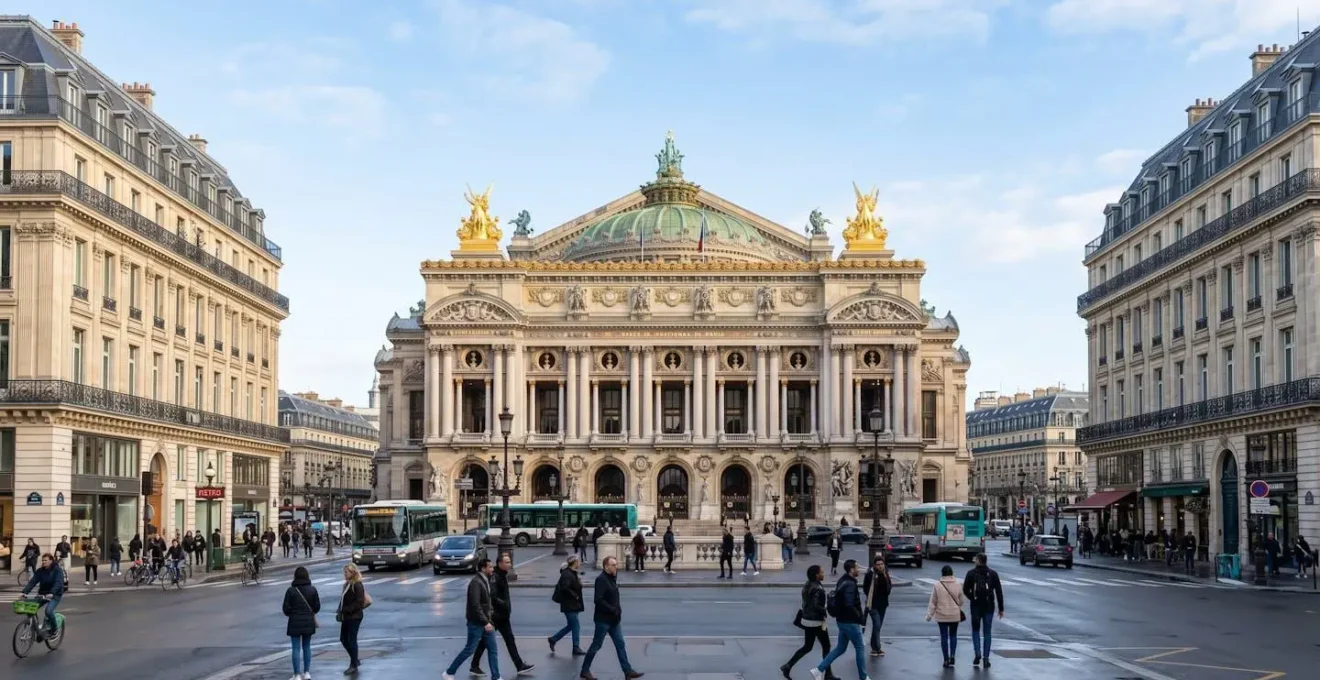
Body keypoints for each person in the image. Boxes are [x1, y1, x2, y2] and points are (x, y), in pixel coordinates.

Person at [579, 555, 643, 680]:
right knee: (596, 645)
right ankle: (584, 670)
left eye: (616, 564)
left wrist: (618, 609)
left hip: (614, 620)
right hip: (603, 620)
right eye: (613, 565)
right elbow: (598, 599)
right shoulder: (601, 579)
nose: (616, 567)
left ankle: (628, 671)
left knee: (620, 644)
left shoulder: (612, 577)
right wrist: (612, 609)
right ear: (606, 566)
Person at [472, 553, 535, 675]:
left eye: (509, 562)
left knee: (506, 640)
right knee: (488, 641)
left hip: (502, 615)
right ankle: (475, 665)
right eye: (507, 562)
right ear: (500, 564)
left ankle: (519, 665)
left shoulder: (501, 575)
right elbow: (493, 596)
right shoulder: (495, 577)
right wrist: (504, 604)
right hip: (497, 616)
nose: (509, 564)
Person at [443, 558, 501, 680]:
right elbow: (475, 605)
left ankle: (496, 676)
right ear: (483, 568)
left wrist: (489, 617)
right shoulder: (476, 582)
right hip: (477, 623)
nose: (492, 569)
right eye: (490, 567)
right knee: (469, 649)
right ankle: (449, 672)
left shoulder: (484, 580)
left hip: (486, 622)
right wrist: (485, 622)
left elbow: (486, 602)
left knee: (493, 649)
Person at [810, 559, 866, 680]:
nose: (859, 570)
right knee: (860, 647)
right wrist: (860, 618)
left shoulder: (842, 580)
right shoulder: (850, 584)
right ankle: (863, 677)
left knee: (840, 648)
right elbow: (849, 604)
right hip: (850, 621)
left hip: (841, 620)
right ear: (851, 570)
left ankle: (818, 670)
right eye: (857, 568)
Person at [781, 564, 837, 680]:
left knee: (807, 646)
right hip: (816, 622)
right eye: (821, 572)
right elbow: (816, 606)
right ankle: (828, 674)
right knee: (826, 646)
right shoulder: (818, 588)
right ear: (816, 575)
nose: (823, 574)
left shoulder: (807, 584)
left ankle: (788, 666)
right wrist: (826, 609)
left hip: (806, 620)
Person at [962, 553, 1004, 667]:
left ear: (978, 561)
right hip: (989, 606)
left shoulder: (971, 573)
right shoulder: (993, 574)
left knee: (975, 630)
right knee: (987, 632)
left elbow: (965, 589)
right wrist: (1001, 608)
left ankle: (977, 653)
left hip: (976, 606)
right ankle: (986, 658)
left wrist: (972, 598)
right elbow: (999, 592)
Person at [282, 566, 321, 680]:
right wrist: (310, 612)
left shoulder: (291, 590)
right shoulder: (312, 589)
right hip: (308, 621)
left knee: (295, 648)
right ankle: (307, 672)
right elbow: (317, 606)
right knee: (307, 646)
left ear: (295, 576)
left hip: (294, 621)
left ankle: (297, 674)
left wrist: (292, 613)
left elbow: (285, 608)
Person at [926, 564, 965, 668]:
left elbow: (933, 602)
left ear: (942, 574)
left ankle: (946, 659)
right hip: (954, 615)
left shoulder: (937, 585)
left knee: (944, 636)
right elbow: (961, 600)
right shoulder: (958, 584)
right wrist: (956, 607)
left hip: (941, 615)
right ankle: (952, 655)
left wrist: (929, 616)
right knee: (953, 635)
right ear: (952, 573)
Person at [20, 552, 64, 639]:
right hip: (42, 594)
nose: (43, 562)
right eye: (42, 560)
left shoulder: (57, 570)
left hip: (55, 594)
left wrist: (52, 593)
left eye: (45, 560)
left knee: (48, 611)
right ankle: (36, 629)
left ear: (51, 561)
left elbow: (58, 583)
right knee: (30, 608)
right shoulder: (40, 571)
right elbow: (33, 582)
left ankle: (54, 630)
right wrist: (24, 592)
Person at [549, 555, 586, 656]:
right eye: (578, 561)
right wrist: (575, 596)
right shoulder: (567, 574)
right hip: (569, 604)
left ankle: (553, 639)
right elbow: (565, 588)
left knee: (571, 626)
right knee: (575, 625)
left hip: (572, 604)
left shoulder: (572, 573)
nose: (579, 563)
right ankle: (576, 647)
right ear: (575, 562)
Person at [337, 563, 367, 675]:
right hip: (346, 616)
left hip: (354, 616)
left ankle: (353, 665)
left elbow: (360, 602)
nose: (344, 574)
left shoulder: (357, 584)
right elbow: (343, 599)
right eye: (344, 572)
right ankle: (355, 659)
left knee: (351, 640)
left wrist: (347, 609)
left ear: (352, 572)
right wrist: (340, 609)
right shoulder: (347, 584)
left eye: (346, 572)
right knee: (343, 639)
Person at [862, 555, 891, 657]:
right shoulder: (870, 574)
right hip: (872, 604)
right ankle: (876, 648)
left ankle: (874, 646)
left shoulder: (885, 573)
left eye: (882, 564)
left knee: (877, 626)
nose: (880, 566)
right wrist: (871, 596)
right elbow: (865, 587)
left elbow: (888, 587)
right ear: (874, 565)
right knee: (877, 624)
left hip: (883, 604)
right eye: (878, 564)